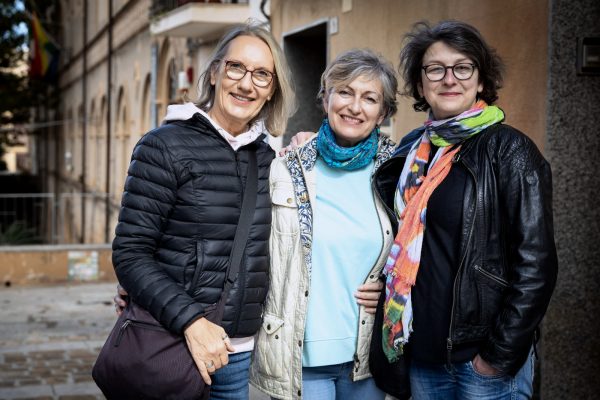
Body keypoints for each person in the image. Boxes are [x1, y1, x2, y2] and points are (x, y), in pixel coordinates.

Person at [372, 20, 558, 399]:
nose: (449, 79)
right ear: (421, 84)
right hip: (422, 357)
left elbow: (536, 265)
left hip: (482, 366)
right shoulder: (411, 151)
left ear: (481, 80)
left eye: (463, 67)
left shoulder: (510, 151)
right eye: (435, 69)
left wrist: (497, 356)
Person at [111, 22, 294, 400]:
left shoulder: (271, 158)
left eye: (262, 74)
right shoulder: (163, 146)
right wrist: (191, 320)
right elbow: (130, 253)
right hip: (173, 343)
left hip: (238, 356)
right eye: (235, 68)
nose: (247, 84)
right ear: (214, 72)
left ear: (272, 89)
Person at [249, 49, 399, 400]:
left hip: (367, 356)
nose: (354, 106)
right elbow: (247, 242)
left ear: (383, 113)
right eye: (344, 92)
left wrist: (390, 289)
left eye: (370, 98)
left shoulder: (398, 172)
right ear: (326, 98)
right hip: (300, 356)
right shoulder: (286, 167)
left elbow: (419, 249)